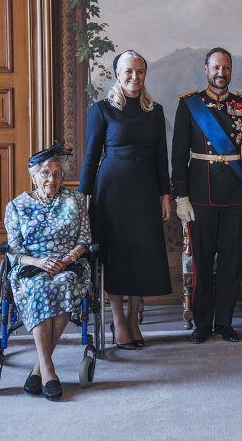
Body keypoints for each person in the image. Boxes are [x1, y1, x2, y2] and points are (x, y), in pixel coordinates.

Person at [172, 47, 242, 344]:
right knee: (201, 262)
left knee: (230, 262)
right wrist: (181, 196)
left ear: (230, 70)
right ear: (205, 69)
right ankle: (202, 323)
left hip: (236, 194)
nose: (221, 73)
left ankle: (224, 322)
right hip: (201, 193)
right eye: (216, 67)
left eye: (226, 68)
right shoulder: (190, 105)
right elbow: (178, 156)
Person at [80, 50, 172, 350]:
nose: (135, 77)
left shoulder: (155, 110)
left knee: (142, 255)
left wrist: (165, 194)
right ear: (117, 74)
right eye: (128, 71)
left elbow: (161, 156)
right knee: (117, 254)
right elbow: (92, 157)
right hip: (112, 189)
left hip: (145, 188)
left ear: (145, 74)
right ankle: (118, 320)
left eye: (140, 72)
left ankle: (135, 318)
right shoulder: (102, 109)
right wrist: (84, 198)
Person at [5, 142, 91, 401]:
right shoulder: (17, 206)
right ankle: (49, 369)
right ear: (33, 176)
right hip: (32, 267)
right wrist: (39, 263)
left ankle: (38, 370)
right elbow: (13, 251)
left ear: (63, 176)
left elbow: (85, 239)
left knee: (62, 284)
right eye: (45, 173)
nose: (51, 179)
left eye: (57, 173)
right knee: (41, 287)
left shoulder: (75, 199)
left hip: (69, 265)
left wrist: (65, 260)